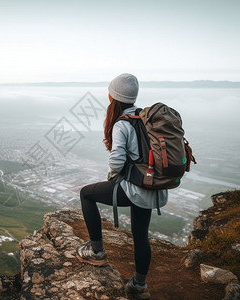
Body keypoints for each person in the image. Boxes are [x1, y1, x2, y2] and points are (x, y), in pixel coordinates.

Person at [75, 73, 168, 299]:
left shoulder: (122, 124)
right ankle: (139, 286)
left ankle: (96, 251)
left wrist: (114, 176)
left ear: (112, 97)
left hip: (134, 188)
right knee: (140, 234)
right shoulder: (147, 119)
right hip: (153, 188)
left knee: (86, 194)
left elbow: (117, 160)